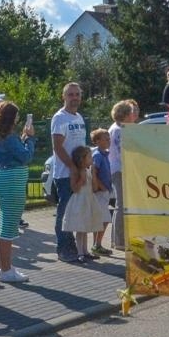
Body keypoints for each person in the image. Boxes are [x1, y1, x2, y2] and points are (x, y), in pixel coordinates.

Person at [0, 101, 35, 283]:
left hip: (3, 176)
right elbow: (26, 156)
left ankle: (3, 267)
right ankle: (6, 270)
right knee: (8, 228)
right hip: (12, 180)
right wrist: (30, 139)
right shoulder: (8, 136)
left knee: (3, 227)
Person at [48, 82, 89, 262]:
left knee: (78, 211)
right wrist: (72, 167)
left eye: (77, 94)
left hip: (80, 171)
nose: (74, 98)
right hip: (65, 173)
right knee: (64, 211)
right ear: (64, 96)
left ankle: (79, 249)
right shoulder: (60, 118)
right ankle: (64, 249)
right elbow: (57, 146)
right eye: (71, 94)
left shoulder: (79, 117)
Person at [61, 145, 111, 260]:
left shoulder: (88, 170)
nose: (92, 159)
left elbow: (93, 188)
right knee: (80, 229)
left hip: (89, 200)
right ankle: (80, 253)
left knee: (86, 228)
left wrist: (93, 176)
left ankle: (85, 251)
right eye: (89, 157)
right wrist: (82, 180)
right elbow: (75, 189)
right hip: (80, 201)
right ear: (81, 159)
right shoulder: (76, 172)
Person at [108, 100, 138, 251]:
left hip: (119, 169)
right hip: (119, 170)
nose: (134, 115)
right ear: (125, 114)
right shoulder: (119, 130)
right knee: (121, 205)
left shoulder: (118, 128)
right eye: (131, 112)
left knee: (121, 204)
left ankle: (118, 239)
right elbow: (122, 153)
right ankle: (119, 241)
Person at [90, 130, 114, 256]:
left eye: (109, 138)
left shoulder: (105, 154)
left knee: (102, 219)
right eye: (105, 139)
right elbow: (93, 171)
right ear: (97, 141)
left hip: (105, 190)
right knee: (104, 219)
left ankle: (97, 244)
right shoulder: (98, 155)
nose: (108, 141)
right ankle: (96, 244)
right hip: (100, 191)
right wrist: (99, 186)